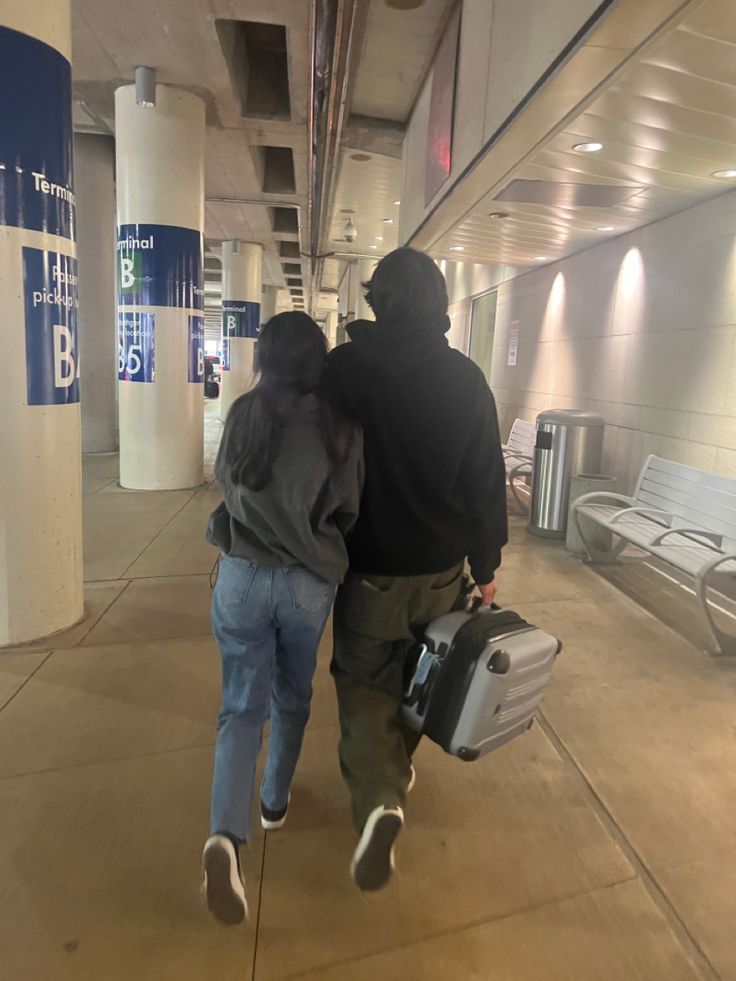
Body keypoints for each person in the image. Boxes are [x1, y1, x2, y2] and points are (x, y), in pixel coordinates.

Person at [323, 247, 508, 892]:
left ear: (376, 300)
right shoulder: (465, 380)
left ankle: (380, 800)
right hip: (439, 572)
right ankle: (392, 781)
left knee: (364, 686)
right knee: (419, 684)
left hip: (366, 569)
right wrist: (487, 564)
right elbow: (486, 478)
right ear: (440, 305)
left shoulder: (342, 372)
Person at [202, 312, 364, 925]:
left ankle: (224, 835)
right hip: (305, 584)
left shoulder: (243, 413)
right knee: (292, 695)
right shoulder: (340, 426)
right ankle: (272, 803)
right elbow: (348, 508)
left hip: (242, 577)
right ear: (318, 360)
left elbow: (224, 480)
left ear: (264, 357)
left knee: (241, 708)